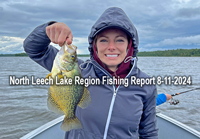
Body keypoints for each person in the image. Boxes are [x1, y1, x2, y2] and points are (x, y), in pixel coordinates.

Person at [24, 7, 158, 139]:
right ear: (95, 46)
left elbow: (149, 132)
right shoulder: (78, 69)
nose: (111, 47)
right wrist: (48, 29)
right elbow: (34, 49)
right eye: (103, 40)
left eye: (120, 40)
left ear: (130, 45)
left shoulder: (146, 85)